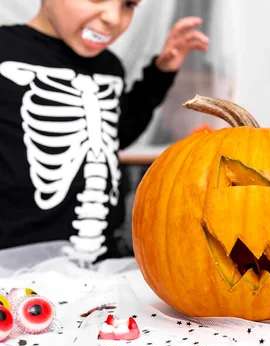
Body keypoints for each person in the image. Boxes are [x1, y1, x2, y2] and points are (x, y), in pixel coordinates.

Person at [0, 0, 209, 266]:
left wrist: (160, 72)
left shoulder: (109, 67)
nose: (113, 17)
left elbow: (116, 134)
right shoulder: (5, 50)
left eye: (128, 5)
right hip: (13, 264)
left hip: (102, 263)